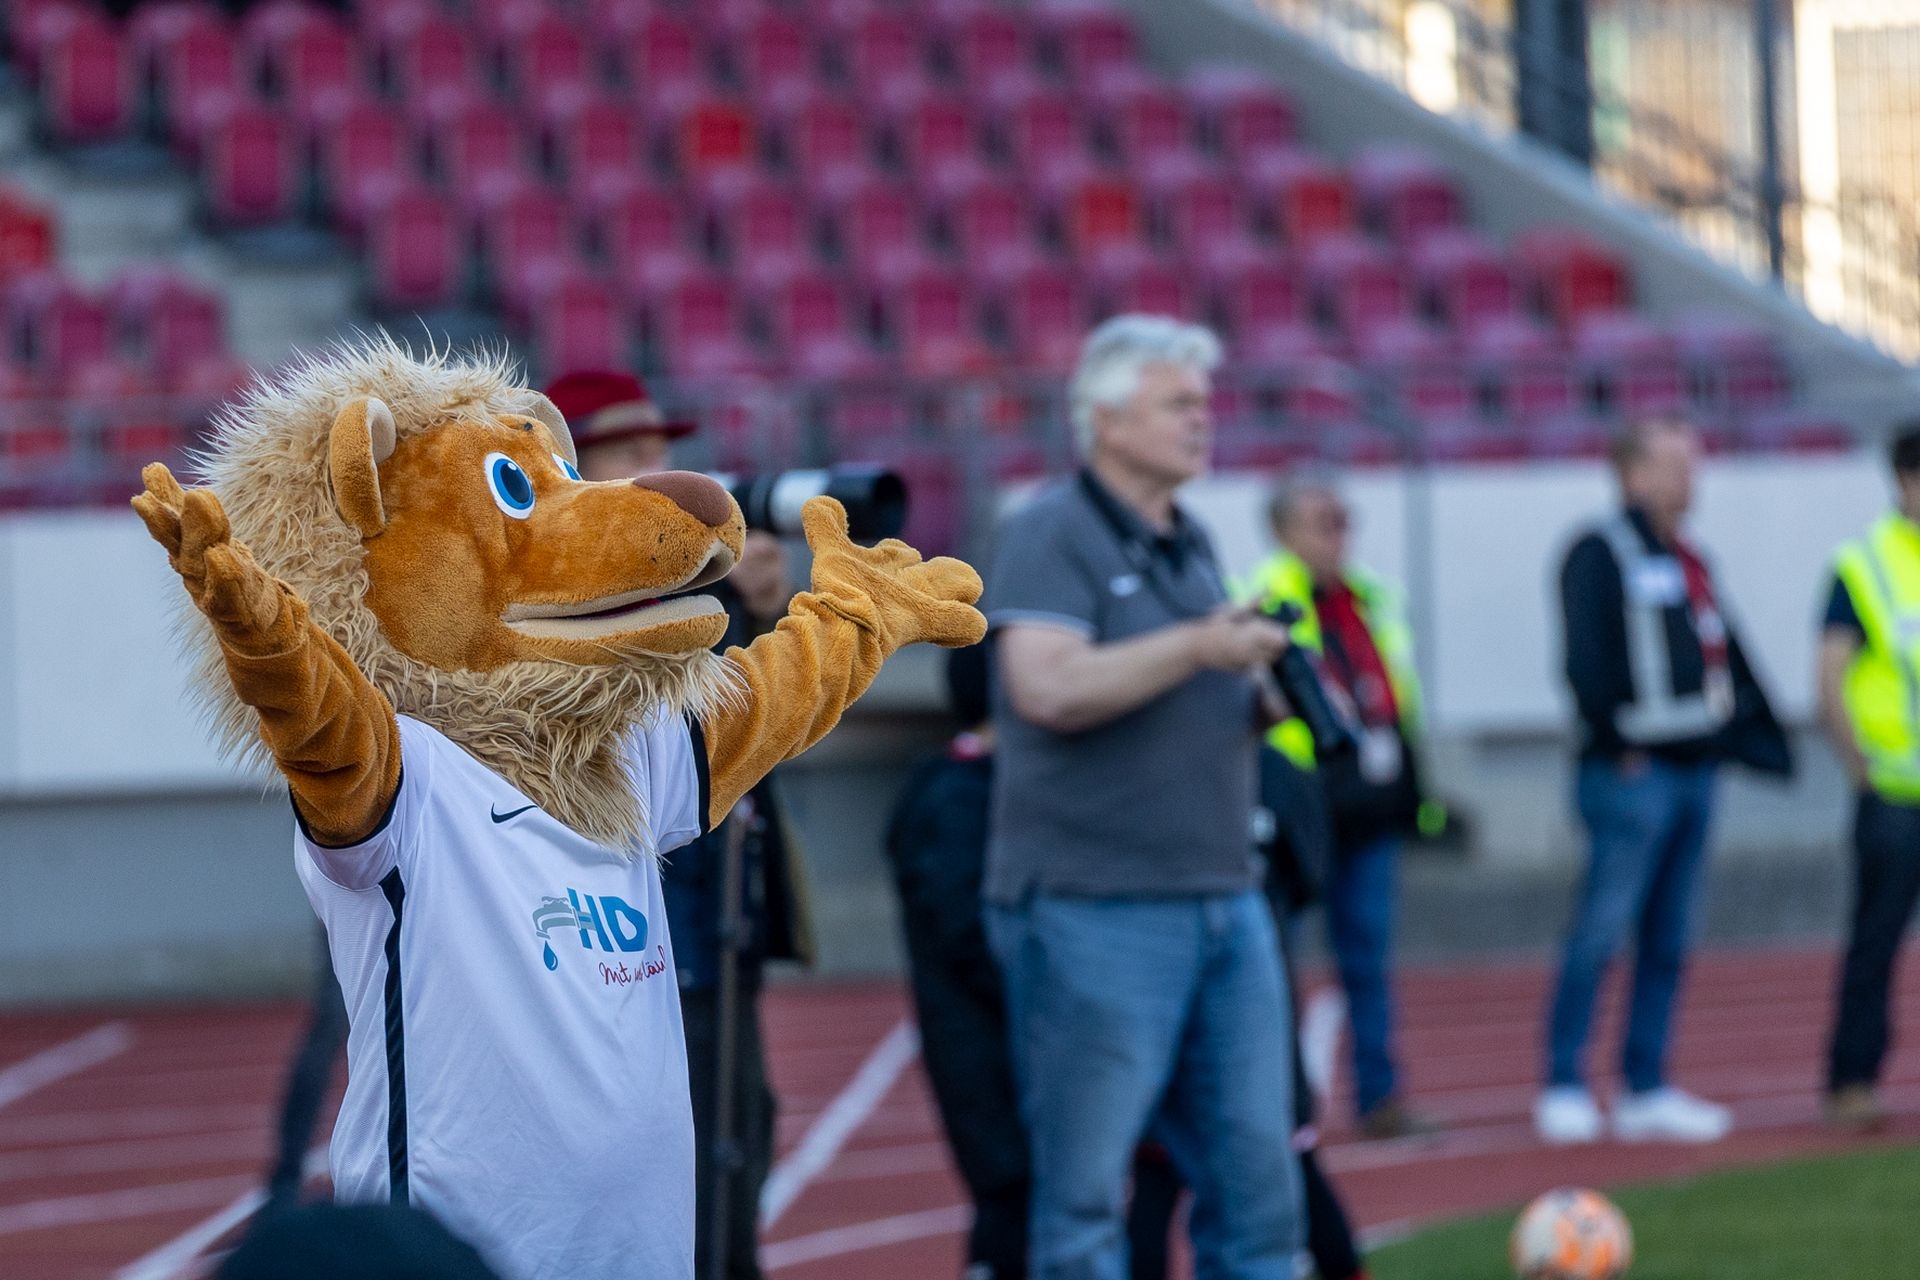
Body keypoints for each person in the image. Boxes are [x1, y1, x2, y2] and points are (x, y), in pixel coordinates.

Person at [982, 314, 1303, 1279]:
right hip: (1096, 902)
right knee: (1086, 1196)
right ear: (1106, 421)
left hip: (1223, 895)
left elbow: (1176, 685)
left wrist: (1255, 695)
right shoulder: (1051, 529)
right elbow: (1047, 688)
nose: (1202, 420)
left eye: (1204, 403)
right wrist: (1202, 647)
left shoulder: (1187, 538)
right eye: (1177, 404)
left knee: (1259, 1183)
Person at [545, 370, 814, 1280]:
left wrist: (756, 616)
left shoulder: (689, 578)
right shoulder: (558, 584)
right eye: (629, 449)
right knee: (673, 1161)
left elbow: (734, 738)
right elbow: (660, 722)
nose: (658, 464)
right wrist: (732, 611)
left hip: (709, 926)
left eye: (661, 446)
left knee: (738, 1136)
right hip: (626, 927)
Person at [1540, 416, 1790, 1145]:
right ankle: (1564, 1081)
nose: (1690, 477)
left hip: (1693, 770)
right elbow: (1584, 658)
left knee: (1669, 936)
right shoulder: (1597, 551)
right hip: (1633, 773)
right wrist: (1617, 740)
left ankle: (1645, 1084)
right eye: (1674, 463)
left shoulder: (1690, 558)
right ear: (1631, 473)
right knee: (1600, 930)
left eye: (1692, 462)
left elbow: (1722, 653)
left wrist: (1752, 738)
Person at [1248, 476, 1437, 1141]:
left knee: (1368, 959)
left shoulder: (1370, 597)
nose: (1338, 534)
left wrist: (1415, 793)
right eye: (1322, 521)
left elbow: (1396, 696)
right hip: (1299, 808)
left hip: (1369, 806)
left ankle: (1379, 1097)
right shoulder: (1263, 597)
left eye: (1343, 520)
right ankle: (1275, 1104)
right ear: (1282, 531)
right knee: (1274, 961)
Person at [884, 643, 1030, 1280]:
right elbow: (964, 930)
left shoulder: (971, 783)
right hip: (979, 1036)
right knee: (1010, 1191)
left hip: (987, 1030)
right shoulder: (955, 795)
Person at [1816, 420, 1920, 1134]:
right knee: (1875, 943)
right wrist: (1860, 770)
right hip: (1895, 793)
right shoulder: (1864, 564)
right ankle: (1851, 1081)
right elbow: (1829, 674)